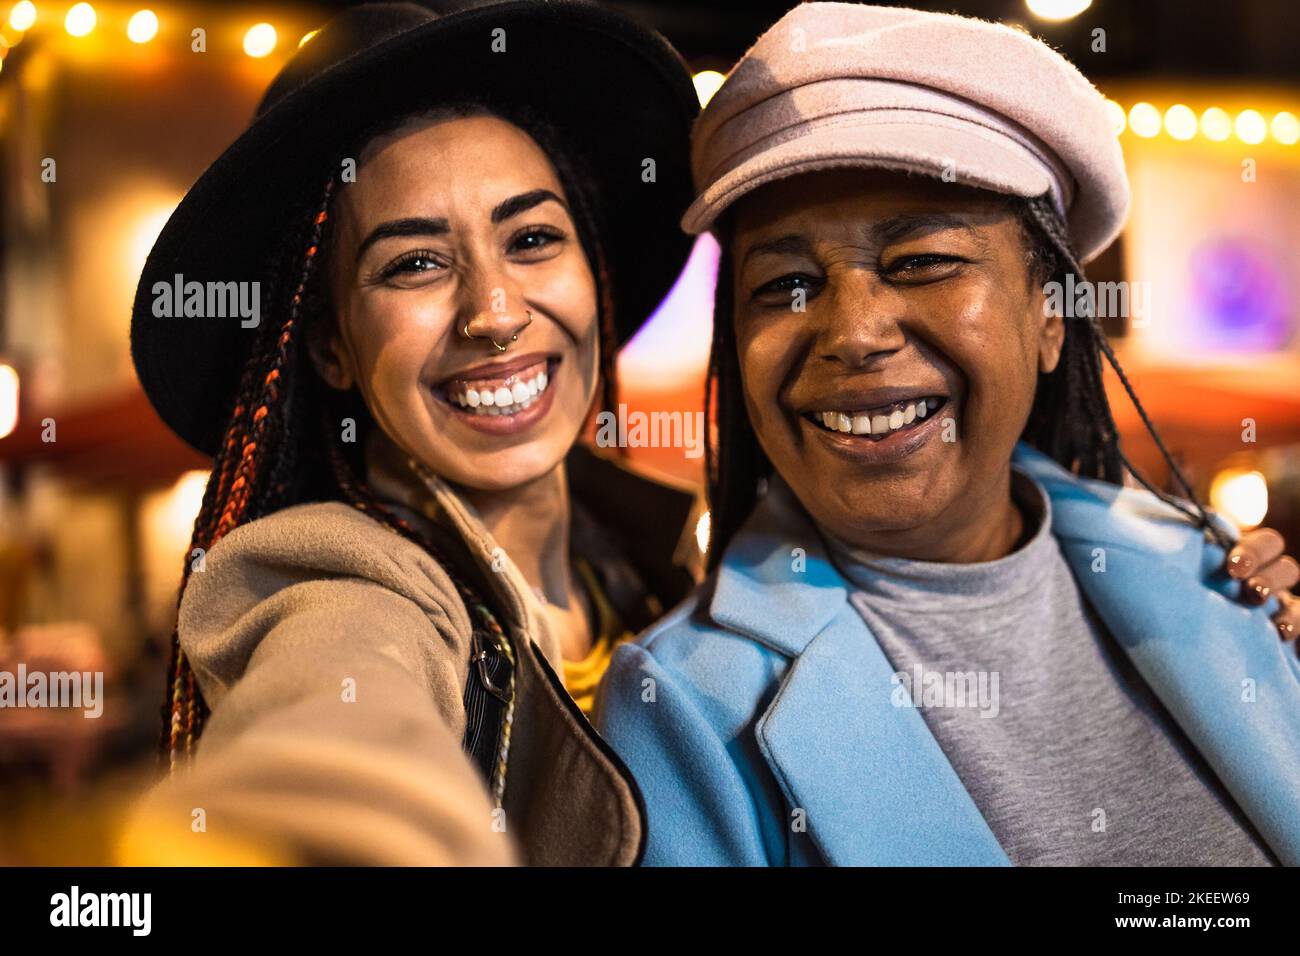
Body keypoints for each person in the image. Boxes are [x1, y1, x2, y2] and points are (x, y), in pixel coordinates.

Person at [596, 2, 1300, 866]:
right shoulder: (683, 708)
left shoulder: (1220, 580)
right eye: (783, 284)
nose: (853, 332)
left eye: (922, 261)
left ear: (1051, 317)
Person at [124, 1, 699, 865]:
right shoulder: (343, 583)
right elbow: (328, 740)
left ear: (593, 273)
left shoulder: (664, 557)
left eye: (534, 238)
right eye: (415, 264)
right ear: (330, 347)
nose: (495, 314)